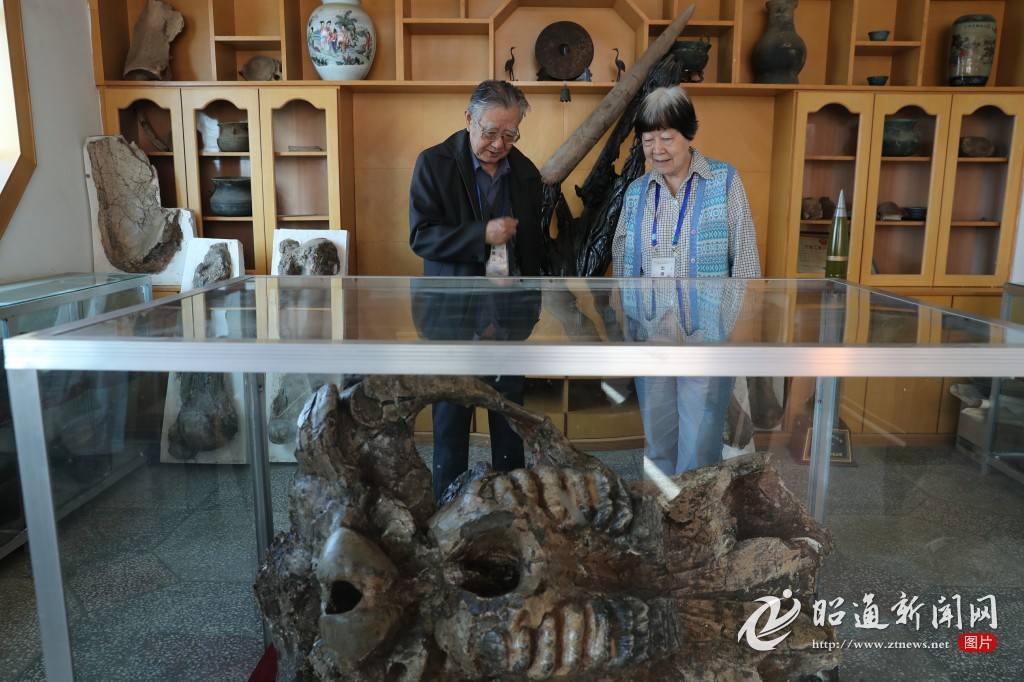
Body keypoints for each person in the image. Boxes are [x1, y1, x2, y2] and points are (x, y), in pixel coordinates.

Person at [611, 85, 761, 477]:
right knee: (658, 443)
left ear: (688, 134)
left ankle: (693, 514)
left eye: (666, 137)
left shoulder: (724, 180)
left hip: (707, 340)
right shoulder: (636, 193)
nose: (657, 149)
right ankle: (661, 512)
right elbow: (622, 262)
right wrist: (628, 326)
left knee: (700, 449)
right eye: (648, 140)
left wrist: (738, 334)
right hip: (651, 339)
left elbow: (745, 260)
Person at [409, 79, 543, 503]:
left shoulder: (525, 173)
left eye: (510, 134)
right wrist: (481, 235)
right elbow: (422, 236)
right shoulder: (435, 164)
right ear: (469, 119)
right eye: (491, 132)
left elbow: (533, 246)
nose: (499, 144)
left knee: (510, 430)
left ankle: (512, 513)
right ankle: (446, 514)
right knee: (450, 433)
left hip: (506, 320)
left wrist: (521, 281)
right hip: (453, 321)